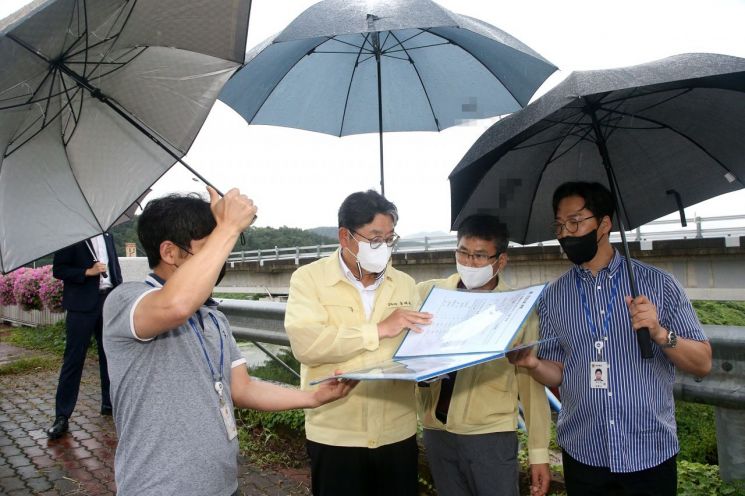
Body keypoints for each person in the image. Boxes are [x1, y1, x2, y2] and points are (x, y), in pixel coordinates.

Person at [102, 188, 355, 496]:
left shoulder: (212, 316)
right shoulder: (126, 300)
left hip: (222, 486)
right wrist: (229, 227)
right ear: (169, 253)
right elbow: (175, 306)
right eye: (211, 248)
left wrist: (312, 398)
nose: (220, 258)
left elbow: (242, 388)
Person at [510, 181, 712, 496]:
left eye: (575, 222)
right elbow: (558, 371)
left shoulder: (658, 284)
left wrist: (660, 333)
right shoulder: (553, 296)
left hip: (649, 452)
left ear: (604, 224)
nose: (565, 233)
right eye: (559, 225)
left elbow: (702, 363)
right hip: (584, 454)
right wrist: (534, 364)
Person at [284, 190, 432, 496]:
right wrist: (378, 330)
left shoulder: (404, 283)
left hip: (397, 433)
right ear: (345, 236)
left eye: (390, 239)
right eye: (375, 239)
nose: (384, 248)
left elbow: (415, 348)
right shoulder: (308, 279)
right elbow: (307, 344)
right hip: (336, 435)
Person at [416, 214, 551, 496]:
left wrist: (538, 451)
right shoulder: (428, 294)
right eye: (463, 253)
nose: (469, 263)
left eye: (479, 256)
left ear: (500, 261)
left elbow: (531, 385)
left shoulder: (517, 309)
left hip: (491, 435)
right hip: (437, 430)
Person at [47, 232, 122, 439]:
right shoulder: (72, 236)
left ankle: (110, 403)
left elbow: (114, 267)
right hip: (81, 306)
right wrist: (87, 272)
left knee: (110, 356)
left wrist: (119, 293)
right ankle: (62, 416)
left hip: (108, 301)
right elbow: (59, 270)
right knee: (73, 359)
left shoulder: (108, 234)